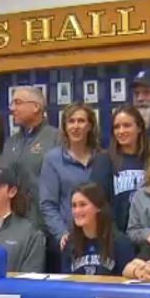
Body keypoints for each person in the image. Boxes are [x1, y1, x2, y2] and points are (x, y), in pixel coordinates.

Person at [40, 103, 112, 251]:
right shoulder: (53, 159)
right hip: (69, 239)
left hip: (100, 238)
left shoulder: (102, 158)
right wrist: (62, 234)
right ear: (65, 127)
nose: (76, 126)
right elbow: (48, 204)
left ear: (90, 126)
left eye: (81, 121)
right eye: (71, 121)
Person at [3, 85, 62, 230]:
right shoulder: (11, 142)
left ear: (36, 107)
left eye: (18, 103)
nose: (12, 108)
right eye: (11, 103)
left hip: (47, 224)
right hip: (14, 225)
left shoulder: (57, 138)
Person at [93, 105, 149, 234]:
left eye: (127, 125)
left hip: (149, 234)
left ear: (139, 128)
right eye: (116, 127)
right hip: (116, 235)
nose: (121, 131)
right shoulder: (104, 160)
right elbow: (98, 203)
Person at [61, 182, 135, 276]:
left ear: (98, 207)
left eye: (83, 204)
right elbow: (64, 280)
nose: (77, 211)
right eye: (74, 205)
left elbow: (127, 280)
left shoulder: (121, 244)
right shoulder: (70, 243)